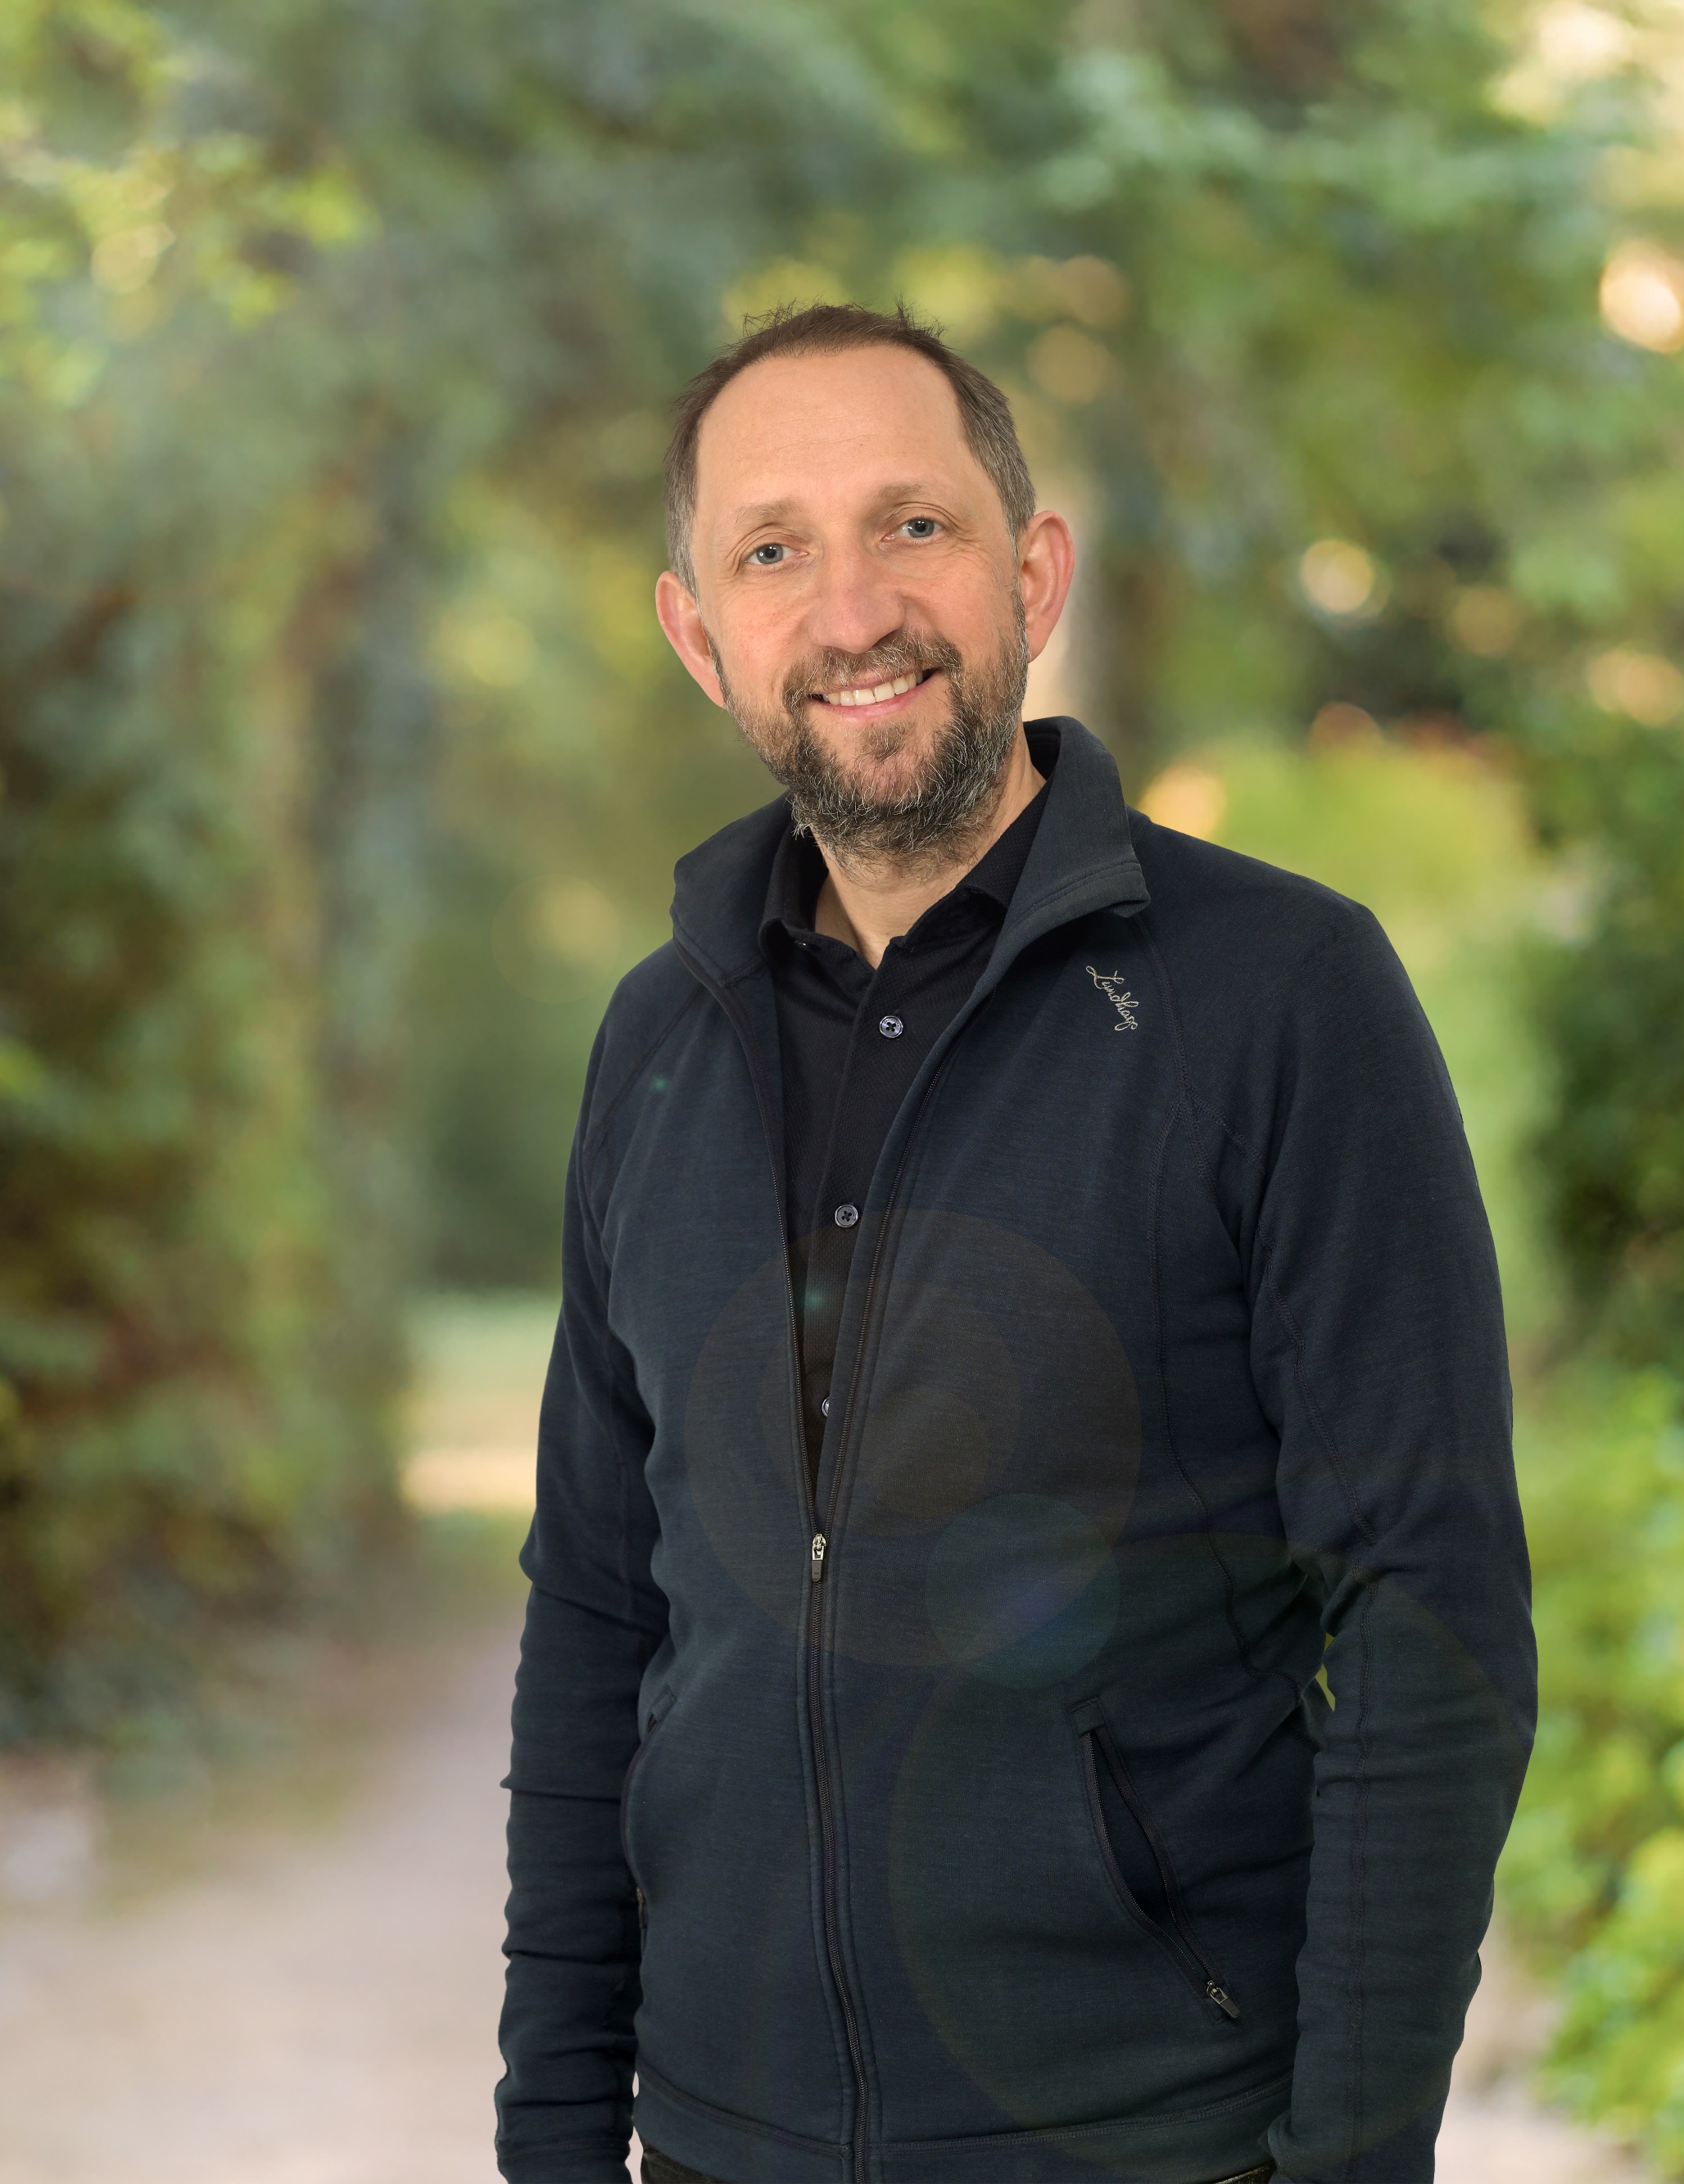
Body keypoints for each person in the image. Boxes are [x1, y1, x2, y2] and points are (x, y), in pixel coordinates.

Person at [493, 301, 1534, 2184]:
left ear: (1030, 571)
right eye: (771, 549)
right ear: (696, 633)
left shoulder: (1282, 996)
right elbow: (593, 1609)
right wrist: (556, 2135)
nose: (852, 608)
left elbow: (1423, 1610)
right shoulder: (655, 1042)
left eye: (913, 524)